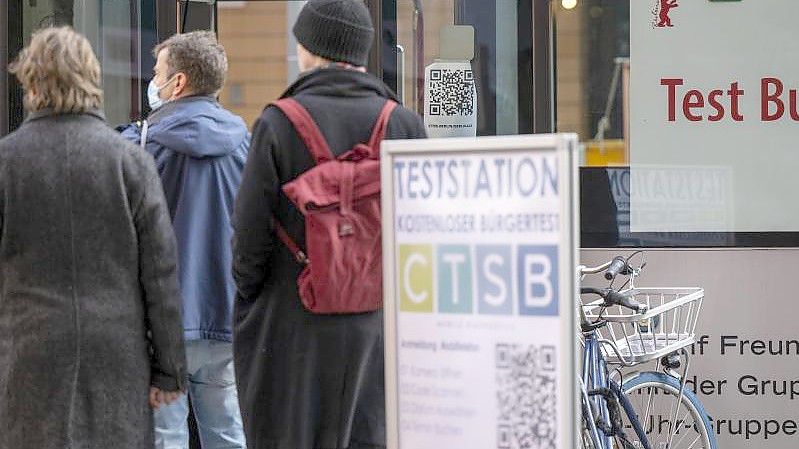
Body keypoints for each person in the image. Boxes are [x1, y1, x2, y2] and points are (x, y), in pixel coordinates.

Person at [231, 1, 427, 448]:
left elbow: (248, 241)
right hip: (379, 332)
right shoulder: (403, 124)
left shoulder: (278, 123)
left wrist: (252, 295)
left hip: (292, 329)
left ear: (308, 47)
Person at [0, 27, 186, 449]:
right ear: (92, 78)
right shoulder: (130, 162)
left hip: (29, 351)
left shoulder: (6, 164)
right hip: (117, 354)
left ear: (30, 81)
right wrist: (169, 369)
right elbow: (160, 275)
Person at [120, 30, 249, 449]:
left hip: (165, 321)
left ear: (178, 83)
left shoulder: (139, 144)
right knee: (228, 431)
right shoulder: (246, 142)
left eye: (157, 72)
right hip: (225, 312)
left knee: (165, 436)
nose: (152, 82)